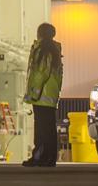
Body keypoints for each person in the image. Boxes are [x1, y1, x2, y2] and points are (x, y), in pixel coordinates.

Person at [23, 22, 63, 168]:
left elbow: (40, 73)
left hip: (41, 95)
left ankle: (39, 157)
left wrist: (34, 92)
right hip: (50, 96)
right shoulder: (55, 51)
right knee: (50, 128)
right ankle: (50, 158)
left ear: (40, 33)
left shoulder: (43, 50)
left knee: (41, 129)